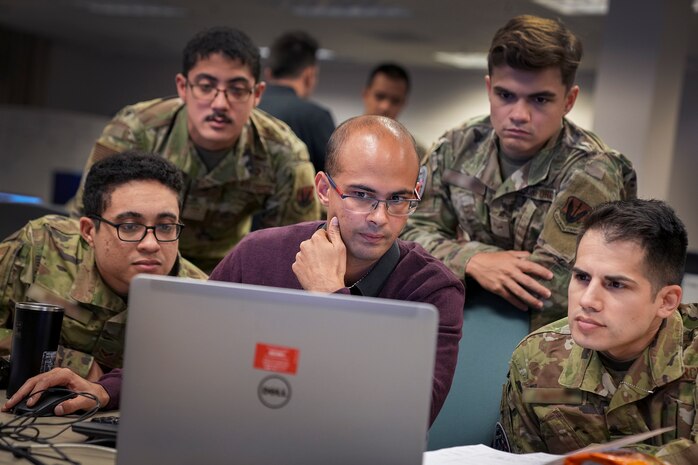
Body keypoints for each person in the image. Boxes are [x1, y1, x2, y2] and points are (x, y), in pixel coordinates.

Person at [209, 115, 464, 426]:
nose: (380, 218)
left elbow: (408, 419)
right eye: (361, 195)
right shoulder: (256, 255)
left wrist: (329, 295)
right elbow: (189, 357)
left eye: (397, 198)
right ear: (323, 189)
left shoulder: (432, 291)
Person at [402, 15, 636, 330]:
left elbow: (552, 286)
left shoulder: (592, 168)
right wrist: (473, 260)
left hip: (555, 342)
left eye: (540, 99)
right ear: (489, 88)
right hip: (465, 325)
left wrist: (454, 259)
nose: (519, 115)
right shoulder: (456, 146)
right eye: (506, 95)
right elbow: (406, 236)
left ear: (569, 100)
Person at [67, 26, 320, 273]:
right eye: (205, 86)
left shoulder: (283, 152)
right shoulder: (136, 130)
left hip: (224, 274)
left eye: (237, 89)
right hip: (136, 264)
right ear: (182, 87)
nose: (220, 103)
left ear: (257, 94)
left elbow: (292, 251)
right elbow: (86, 218)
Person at [1, 152, 207, 414]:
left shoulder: (200, 297)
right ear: (88, 231)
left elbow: (198, 386)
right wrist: (79, 364)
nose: (151, 244)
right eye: (130, 226)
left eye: (166, 227)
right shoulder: (42, 247)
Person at [498, 199, 698, 465]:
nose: (588, 300)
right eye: (582, 277)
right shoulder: (535, 359)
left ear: (666, 301)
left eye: (615, 284)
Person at [258, 30, 335, 174]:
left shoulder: (247, 109)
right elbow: (333, 176)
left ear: (268, 74)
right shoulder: (315, 117)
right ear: (309, 75)